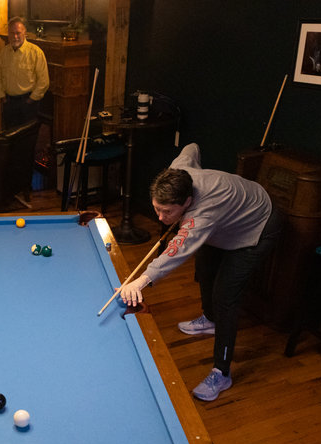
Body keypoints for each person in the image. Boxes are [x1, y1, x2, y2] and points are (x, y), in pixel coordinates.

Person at [118, 143, 282, 402]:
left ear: (188, 201)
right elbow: (191, 147)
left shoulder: (203, 214)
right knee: (204, 270)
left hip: (256, 226)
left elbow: (177, 250)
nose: (160, 218)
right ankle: (210, 319)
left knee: (225, 297)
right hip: (226, 221)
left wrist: (141, 281)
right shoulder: (177, 171)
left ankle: (222, 372)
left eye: (167, 212)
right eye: (157, 208)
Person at [0, 17, 49, 129]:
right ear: (8, 34)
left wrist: (31, 100)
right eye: (12, 33)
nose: (15, 37)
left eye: (18, 33)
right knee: (10, 140)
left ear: (25, 33)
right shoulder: (4, 53)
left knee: (27, 140)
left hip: (28, 103)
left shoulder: (36, 52)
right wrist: (2, 97)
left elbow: (43, 81)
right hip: (9, 103)